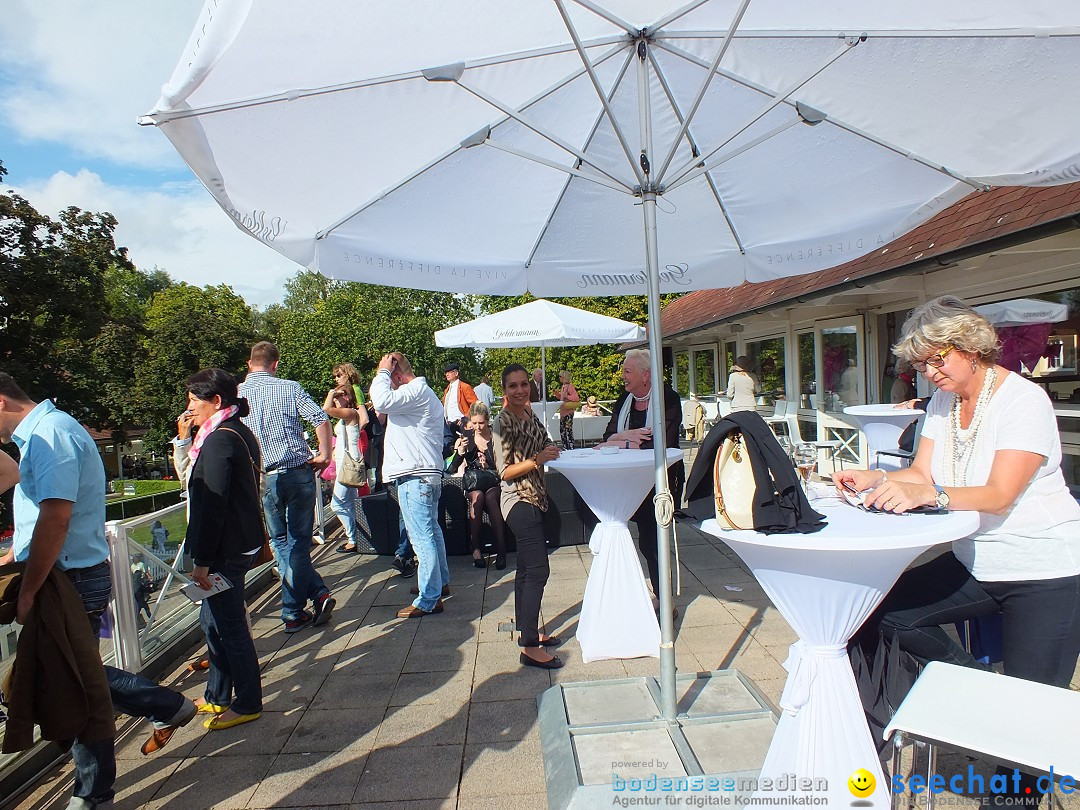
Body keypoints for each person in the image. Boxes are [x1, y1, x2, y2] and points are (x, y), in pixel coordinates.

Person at [834, 296, 1080, 801]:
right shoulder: (944, 403)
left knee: (1034, 714)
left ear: (970, 347)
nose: (928, 372)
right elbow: (921, 473)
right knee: (881, 612)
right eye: (920, 363)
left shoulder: (1023, 401)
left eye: (936, 358)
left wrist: (931, 495)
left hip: (1047, 569)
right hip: (976, 560)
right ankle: (982, 697)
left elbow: (999, 494)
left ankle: (1017, 791)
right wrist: (876, 475)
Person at [0, 373, 196, 809]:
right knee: (77, 678)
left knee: (76, 683)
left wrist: (29, 587)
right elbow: (42, 510)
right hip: (68, 574)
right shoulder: (47, 432)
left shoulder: (50, 434)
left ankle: (94, 794)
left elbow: (57, 516)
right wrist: (18, 552)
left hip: (66, 579)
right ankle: (164, 709)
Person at [180, 368, 264, 731]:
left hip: (225, 550)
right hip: (238, 542)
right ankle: (217, 695)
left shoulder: (219, 440)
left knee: (230, 627)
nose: (189, 408)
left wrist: (202, 562)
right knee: (213, 622)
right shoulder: (233, 431)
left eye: (194, 400)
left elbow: (210, 507)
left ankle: (247, 702)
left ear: (216, 401)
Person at [238, 341, 335, 634]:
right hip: (298, 471)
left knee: (280, 541)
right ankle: (311, 596)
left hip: (262, 476)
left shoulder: (237, 394)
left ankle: (298, 608)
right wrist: (325, 454)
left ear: (249, 363)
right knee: (299, 542)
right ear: (276, 363)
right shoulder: (289, 388)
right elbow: (320, 418)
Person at [599, 349, 684, 608]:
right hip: (628, 482)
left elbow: (662, 443)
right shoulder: (624, 399)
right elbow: (607, 436)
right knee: (622, 537)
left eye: (627, 371)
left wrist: (621, 440)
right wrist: (628, 439)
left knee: (652, 543)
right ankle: (625, 596)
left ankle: (664, 601)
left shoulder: (667, 399)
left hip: (659, 482)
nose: (622, 376)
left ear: (646, 375)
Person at [492, 364, 563, 669]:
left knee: (525, 571)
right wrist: (537, 460)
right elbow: (504, 471)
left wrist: (548, 448)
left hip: (536, 498)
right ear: (504, 389)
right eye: (513, 386)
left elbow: (544, 441)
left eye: (523, 384)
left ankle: (528, 630)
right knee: (537, 571)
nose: (520, 390)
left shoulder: (529, 413)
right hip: (517, 500)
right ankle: (529, 646)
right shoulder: (502, 422)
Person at [369, 352, 450, 618]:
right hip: (425, 474)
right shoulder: (424, 394)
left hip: (415, 475)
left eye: (391, 381)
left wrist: (382, 372)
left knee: (421, 536)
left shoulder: (414, 392)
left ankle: (429, 598)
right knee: (432, 532)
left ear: (398, 377)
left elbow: (380, 400)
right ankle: (439, 584)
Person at [447, 402, 507, 570]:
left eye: (481, 423)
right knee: (478, 497)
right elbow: (451, 468)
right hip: (474, 482)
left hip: (492, 479)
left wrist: (488, 463)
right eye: (475, 423)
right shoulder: (466, 436)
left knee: (490, 497)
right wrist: (460, 452)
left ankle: (501, 549)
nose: (478, 427)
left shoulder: (496, 436)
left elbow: (504, 464)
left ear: (488, 421)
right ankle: (476, 549)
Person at [323, 377, 370, 554]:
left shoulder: (351, 413)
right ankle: (357, 536)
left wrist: (331, 394)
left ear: (347, 397)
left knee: (336, 504)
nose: (335, 399)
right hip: (345, 462)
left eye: (339, 396)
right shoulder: (345, 415)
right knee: (349, 503)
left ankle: (353, 538)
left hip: (348, 465)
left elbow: (326, 409)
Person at [442, 362, 477, 428]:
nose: (447, 374)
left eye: (449, 372)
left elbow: (475, 404)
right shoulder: (447, 389)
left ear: (456, 373)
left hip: (461, 423)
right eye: (446, 373)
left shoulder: (465, 387)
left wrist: (465, 418)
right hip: (449, 424)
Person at [554, 370, 580, 450]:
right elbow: (562, 398)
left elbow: (576, 398)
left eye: (560, 376)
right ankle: (565, 446)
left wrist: (567, 396)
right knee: (562, 430)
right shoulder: (564, 387)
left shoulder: (570, 386)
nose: (559, 378)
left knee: (568, 430)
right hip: (563, 412)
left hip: (568, 412)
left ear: (564, 377)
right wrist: (558, 394)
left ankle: (570, 447)